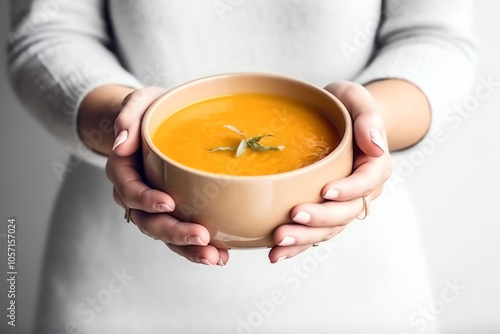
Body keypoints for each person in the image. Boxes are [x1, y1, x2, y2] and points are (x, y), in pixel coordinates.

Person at [7, 0, 475, 333]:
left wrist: (370, 124)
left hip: (358, 286)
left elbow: (435, 36)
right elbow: (48, 32)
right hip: (115, 284)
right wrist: (122, 127)